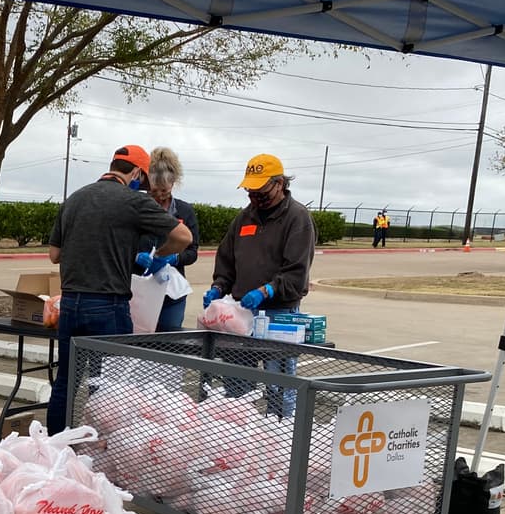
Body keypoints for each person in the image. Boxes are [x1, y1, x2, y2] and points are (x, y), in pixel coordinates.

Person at [45, 144, 193, 435]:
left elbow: (54, 254)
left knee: (66, 381)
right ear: (138, 173)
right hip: (109, 307)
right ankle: (104, 450)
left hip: (72, 303)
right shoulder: (133, 202)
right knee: (110, 385)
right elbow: (183, 236)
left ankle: (55, 448)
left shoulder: (75, 198)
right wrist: (159, 254)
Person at [203, 153, 315, 417]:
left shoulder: (297, 218)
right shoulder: (245, 218)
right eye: (251, 193)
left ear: (280, 184)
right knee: (236, 385)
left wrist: (267, 290)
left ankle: (282, 437)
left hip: (279, 314)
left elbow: (296, 271)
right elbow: (227, 260)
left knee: (280, 387)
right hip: (241, 313)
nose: (255, 199)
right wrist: (219, 287)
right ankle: (242, 434)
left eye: (261, 194)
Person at [136, 146, 200, 331]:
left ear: (173, 183)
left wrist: (175, 258)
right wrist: (136, 256)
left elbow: (193, 251)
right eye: (155, 191)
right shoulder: (138, 208)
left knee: (167, 341)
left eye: (164, 190)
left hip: (172, 293)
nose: (159, 196)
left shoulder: (184, 211)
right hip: (141, 287)